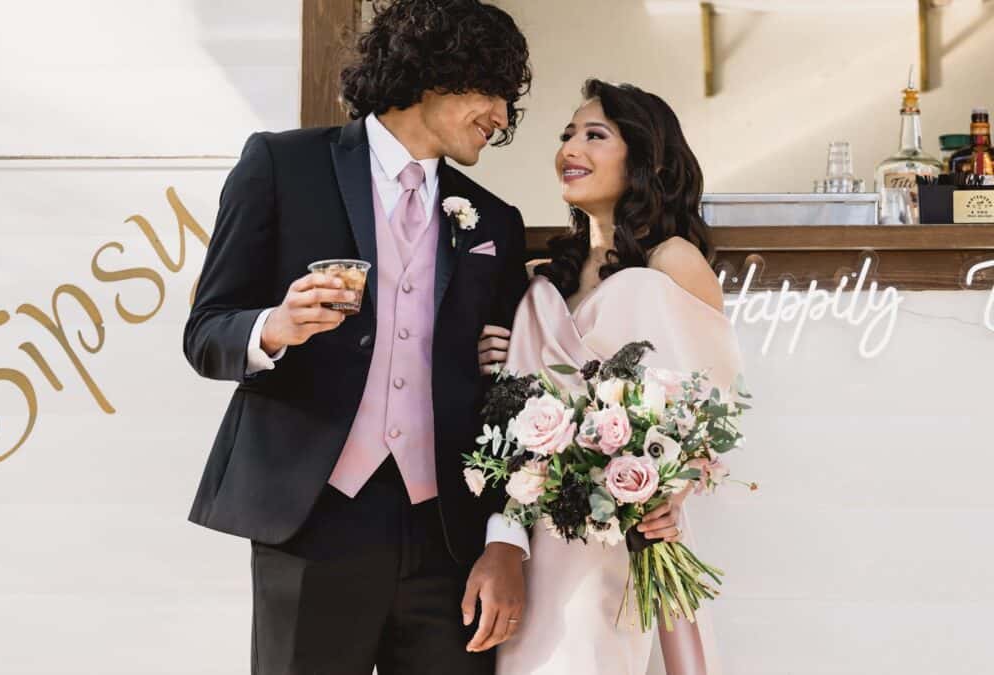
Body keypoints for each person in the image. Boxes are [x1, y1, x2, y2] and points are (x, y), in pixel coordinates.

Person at [181, 1, 533, 673]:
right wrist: (274, 326)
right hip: (312, 521)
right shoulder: (282, 166)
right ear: (436, 74)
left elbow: (511, 398)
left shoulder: (494, 219)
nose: (502, 117)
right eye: (491, 91)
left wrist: (505, 536)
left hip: (449, 539)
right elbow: (206, 332)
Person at [481, 80, 743, 675]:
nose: (571, 147)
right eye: (568, 134)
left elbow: (711, 403)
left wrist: (665, 494)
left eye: (595, 135)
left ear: (646, 159)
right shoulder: (548, 276)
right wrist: (494, 356)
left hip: (624, 533)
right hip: (539, 536)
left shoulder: (673, 260)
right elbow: (516, 407)